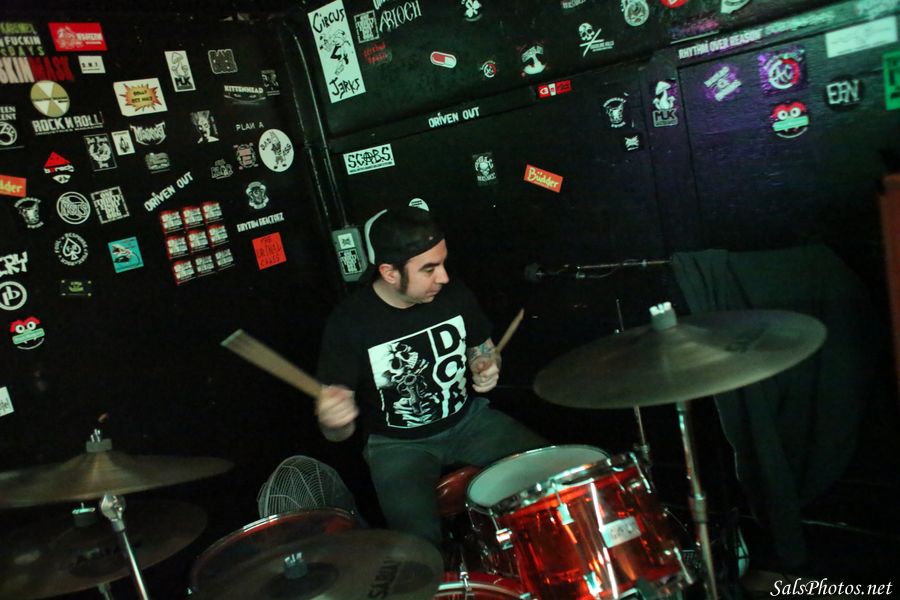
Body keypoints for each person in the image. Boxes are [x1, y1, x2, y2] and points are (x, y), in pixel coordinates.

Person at [316, 205, 546, 546]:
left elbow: (483, 350)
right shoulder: (349, 323)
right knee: (418, 546)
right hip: (397, 445)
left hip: (470, 421)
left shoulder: (454, 295)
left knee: (551, 472)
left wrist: (485, 365)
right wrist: (335, 420)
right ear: (389, 272)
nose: (443, 277)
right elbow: (336, 433)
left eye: (442, 263)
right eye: (429, 269)